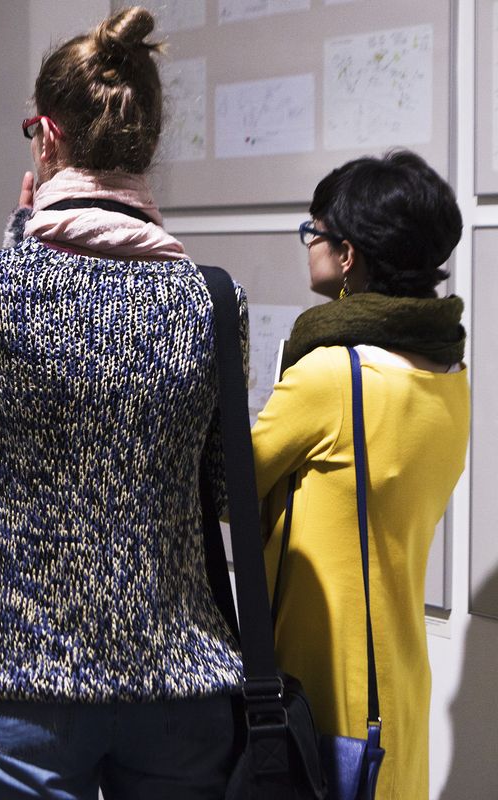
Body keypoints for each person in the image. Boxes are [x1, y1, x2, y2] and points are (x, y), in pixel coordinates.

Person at [0, 8, 245, 798]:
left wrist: (22, 244)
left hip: (22, 670)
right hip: (178, 676)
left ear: (46, 137)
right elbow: (219, 487)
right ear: (150, 142)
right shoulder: (212, 300)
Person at [253, 150, 468, 800]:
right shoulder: (451, 380)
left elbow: (228, 486)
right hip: (396, 689)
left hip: (321, 696)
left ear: (348, 254)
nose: (308, 245)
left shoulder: (332, 376)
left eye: (313, 232)